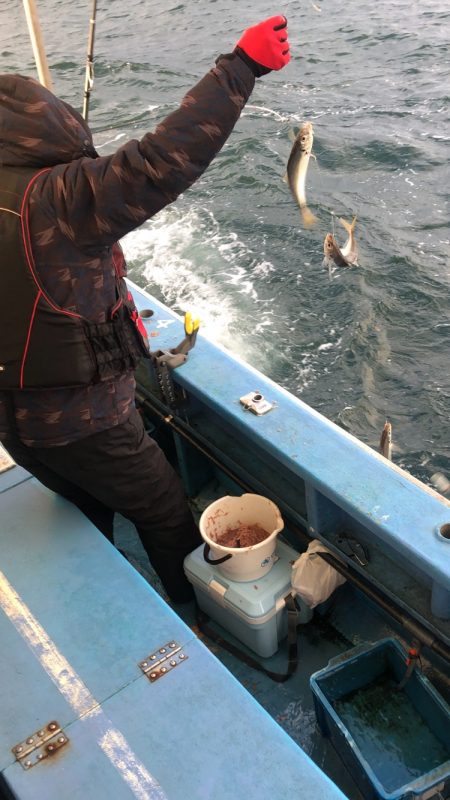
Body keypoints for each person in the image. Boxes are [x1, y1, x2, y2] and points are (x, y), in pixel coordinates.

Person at [0, 16, 291, 603]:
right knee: (162, 507)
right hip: (83, 421)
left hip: (14, 422)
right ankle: (192, 621)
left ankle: (105, 590)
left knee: (84, 501)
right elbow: (164, 157)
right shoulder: (57, 199)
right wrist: (241, 67)